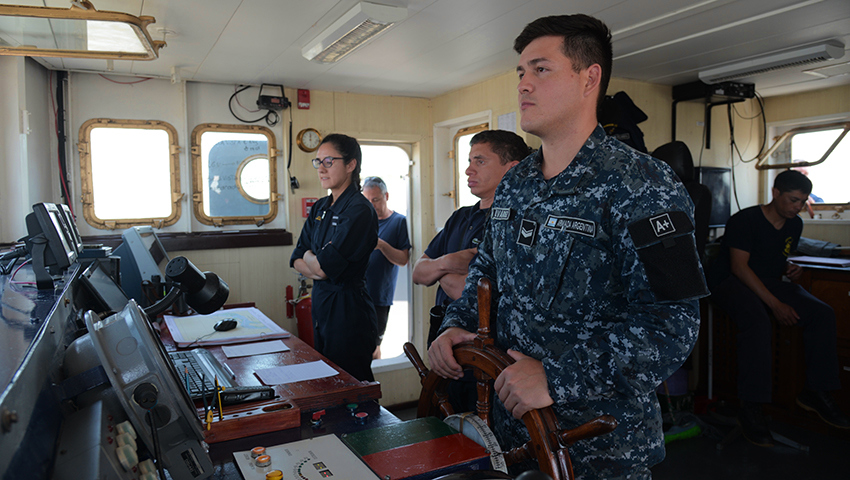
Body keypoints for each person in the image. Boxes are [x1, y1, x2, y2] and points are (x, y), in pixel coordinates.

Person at [428, 14, 707, 480]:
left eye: (541, 69)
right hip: (512, 435)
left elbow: (672, 324)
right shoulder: (516, 182)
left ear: (589, 78)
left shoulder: (643, 184)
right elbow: (487, 269)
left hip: (599, 447)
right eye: (520, 73)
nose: (523, 85)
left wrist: (556, 377)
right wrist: (458, 325)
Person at [710, 170, 849, 447]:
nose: (798, 207)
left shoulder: (794, 224)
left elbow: (774, 259)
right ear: (775, 193)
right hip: (730, 281)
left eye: (802, 201)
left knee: (822, 313)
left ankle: (815, 391)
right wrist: (775, 304)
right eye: (793, 200)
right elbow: (739, 267)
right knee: (758, 321)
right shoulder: (745, 220)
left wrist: (790, 268)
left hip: (766, 280)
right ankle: (751, 407)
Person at [412, 129, 531, 346]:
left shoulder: (517, 223)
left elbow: (472, 295)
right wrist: (447, 263)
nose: (468, 170)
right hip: (444, 339)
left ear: (512, 168)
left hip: (485, 348)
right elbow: (418, 273)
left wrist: (438, 272)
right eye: (469, 161)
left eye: (480, 162)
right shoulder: (460, 216)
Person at [291, 133, 378, 382]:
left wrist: (310, 259)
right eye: (318, 162)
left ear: (351, 165)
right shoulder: (320, 207)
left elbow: (322, 270)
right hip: (322, 305)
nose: (321, 169)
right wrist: (311, 258)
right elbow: (296, 257)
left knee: (351, 386)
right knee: (328, 381)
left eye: (329, 161)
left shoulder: (359, 210)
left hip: (348, 311)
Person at [362, 176, 411, 359]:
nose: (372, 205)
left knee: (373, 348)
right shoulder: (363, 222)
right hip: (357, 294)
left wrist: (382, 245)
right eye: (367, 201)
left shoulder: (399, 222)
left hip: (379, 296)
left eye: (376, 199)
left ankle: (374, 384)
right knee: (357, 345)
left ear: (386, 196)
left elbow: (403, 259)